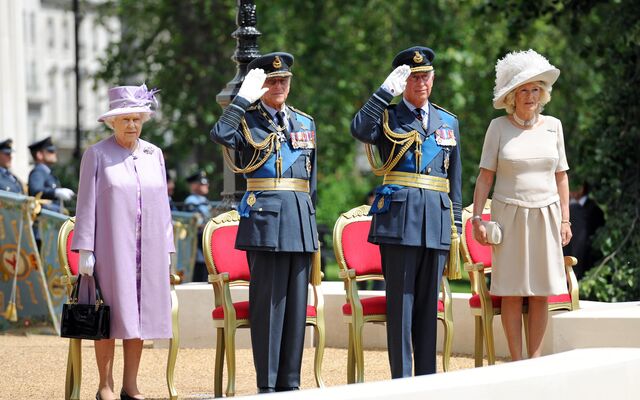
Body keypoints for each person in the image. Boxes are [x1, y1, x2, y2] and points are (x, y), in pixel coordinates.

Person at [351, 46, 462, 378]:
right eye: (413, 77)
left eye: (426, 76)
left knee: (428, 307)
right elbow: (359, 128)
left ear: (434, 77)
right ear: (403, 81)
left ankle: (426, 380)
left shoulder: (448, 121)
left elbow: (454, 179)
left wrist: (454, 223)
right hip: (399, 223)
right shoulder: (387, 115)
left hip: (436, 222)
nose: (421, 83)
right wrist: (384, 93)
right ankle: (401, 382)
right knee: (401, 307)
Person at [210, 52, 318, 393]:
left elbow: (311, 182)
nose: (279, 85)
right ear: (261, 86)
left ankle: (290, 382)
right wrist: (242, 99)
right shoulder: (246, 121)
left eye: (283, 80)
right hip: (266, 225)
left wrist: (312, 225)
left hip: (300, 222)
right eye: (272, 81)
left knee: (296, 312)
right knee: (269, 309)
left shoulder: (305, 123)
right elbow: (219, 133)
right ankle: (268, 385)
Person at [71, 84, 174, 400]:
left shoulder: (153, 153)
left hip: (150, 249)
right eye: (125, 119)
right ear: (112, 122)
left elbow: (164, 207)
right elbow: (86, 203)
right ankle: (106, 385)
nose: (132, 124)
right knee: (111, 314)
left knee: (139, 317)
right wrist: (85, 248)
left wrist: (168, 249)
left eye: (137, 118)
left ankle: (131, 385)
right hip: (112, 250)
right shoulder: (97, 154)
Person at [472, 49, 572, 361]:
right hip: (509, 215)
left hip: (547, 214)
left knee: (541, 290)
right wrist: (477, 218)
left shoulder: (554, 126)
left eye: (535, 89)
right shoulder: (497, 128)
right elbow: (485, 178)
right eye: (523, 90)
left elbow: (562, 176)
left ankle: (536, 359)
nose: (530, 96)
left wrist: (565, 220)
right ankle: (517, 361)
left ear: (543, 94)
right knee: (513, 291)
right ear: (511, 97)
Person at [563, 181, 604, 279]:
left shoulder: (594, 210)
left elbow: (582, 241)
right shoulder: (567, 207)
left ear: (582, 188)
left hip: (584, 262)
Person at [27, 136, 74, 211]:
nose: (55, 153)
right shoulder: (38, 171)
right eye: (50, 151)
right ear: (39, 155)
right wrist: (55, 192)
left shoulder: (47, 172)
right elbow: (36, 191)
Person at [184, 170, 212, 282]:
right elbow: (196, 224)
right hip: (197, 243)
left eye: (206, 183)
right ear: (194, 185)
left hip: (205, 239)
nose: (206, 185)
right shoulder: (191, 201)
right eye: (202, 183)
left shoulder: (204, 200)